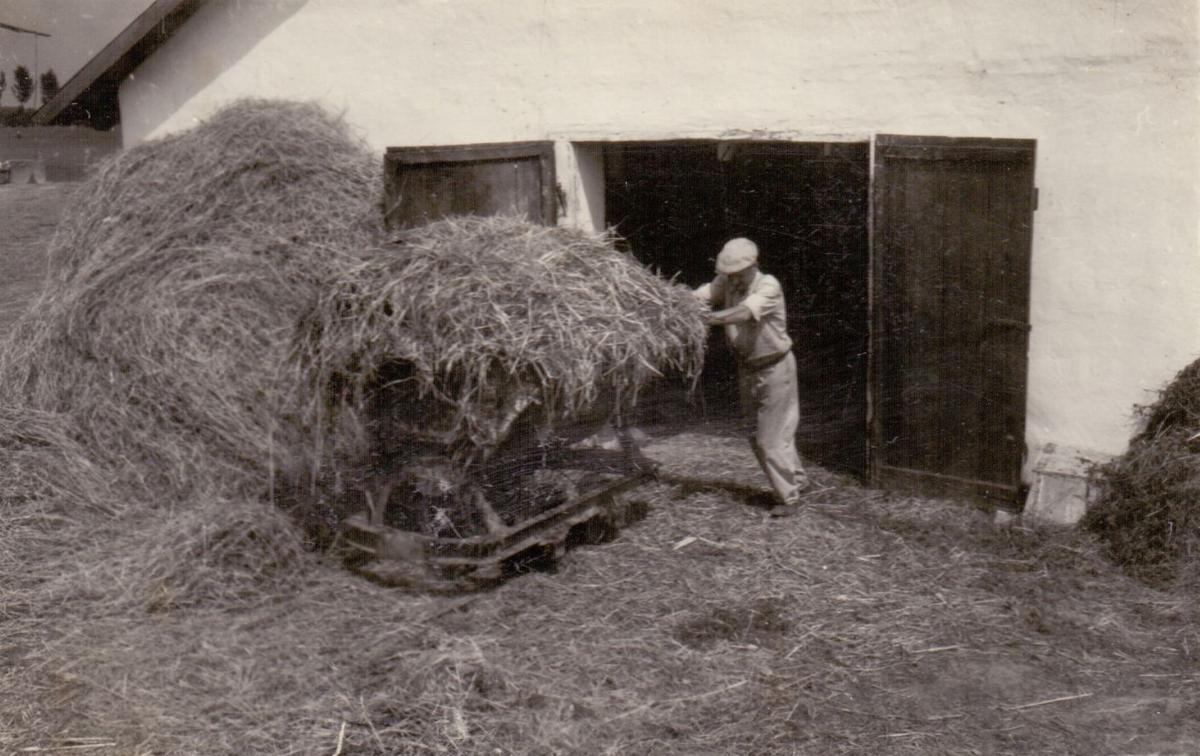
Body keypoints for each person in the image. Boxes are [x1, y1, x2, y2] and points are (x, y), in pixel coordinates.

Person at [694, 237, 808, 516]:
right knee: (762, 432)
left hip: (775, 366)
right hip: (748, 367)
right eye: (728, 274)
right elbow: (704, 293)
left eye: (736, 273)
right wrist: (677, 303)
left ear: (752, 266)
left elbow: (744, 312)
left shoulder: (768, 286)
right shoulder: (729, 282)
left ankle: (790, 499)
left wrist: (707, 319)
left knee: (768, 438)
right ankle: (797, 480)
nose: (731, 279)